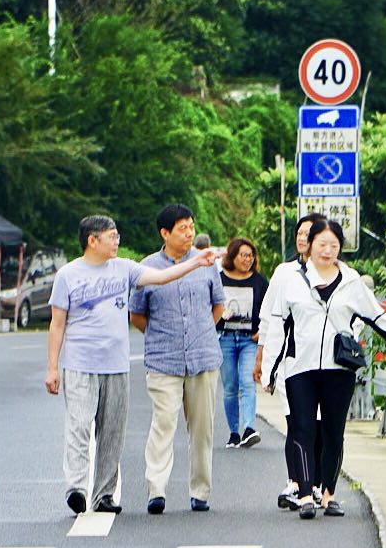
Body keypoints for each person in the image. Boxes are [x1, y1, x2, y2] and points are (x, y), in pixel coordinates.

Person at [255, 218, 386, 519]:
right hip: (300, 367)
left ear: (341, 247)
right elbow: (277, 327)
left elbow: (381, 320)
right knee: (302, 428)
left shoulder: (352, 282)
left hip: (339, 369)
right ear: (309, 245)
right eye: (321, 244)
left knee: (333, 432)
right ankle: (304, 495)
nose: (327, 251)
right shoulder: (291, 280)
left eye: (334, 245)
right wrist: (270, 371)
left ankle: (328, 494)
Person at [44, 215, 218, 517]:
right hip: (80, 364)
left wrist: (196, 262)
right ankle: (76, 487)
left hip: (116, 365)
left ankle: (104, 494)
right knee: (79, 426)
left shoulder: (125, 268)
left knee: (112, 431)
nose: (117, 240)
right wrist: (52, 367)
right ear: (92, 240)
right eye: (111, 236)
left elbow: (162, 276)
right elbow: (57, 324)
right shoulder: (68, 275)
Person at [129, 204, 226, 515]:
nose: (189, 233)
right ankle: (156, 489)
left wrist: (200, 332)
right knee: (163, 423)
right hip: (163, 360)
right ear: (164, 233)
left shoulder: (206, 264)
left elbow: (218, 305)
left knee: (202, 428)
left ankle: (200, 491)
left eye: (191, 227)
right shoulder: (147, 267)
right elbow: (137, 314)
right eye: (182, 228)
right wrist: (163, 335)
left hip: (203, 358)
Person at [257, 212, 326, 509]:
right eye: (299, 232)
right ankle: (297, 484)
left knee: (320, 427)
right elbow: (269, 318)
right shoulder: (284, 273)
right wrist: (263, 359)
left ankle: (319, 484)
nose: (301, 237)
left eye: (308, 233)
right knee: (297, 423)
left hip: (324, 365)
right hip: (290, 362)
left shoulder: (336, 274)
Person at [216, 237, 267, 449]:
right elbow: (210, 306)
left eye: (250, 255)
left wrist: (262, 332)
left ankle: (248, 428)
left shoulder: (260, 281)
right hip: (224, 338)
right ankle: (234, 432)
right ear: (232, 256)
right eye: (243, 255)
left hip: (249, 340)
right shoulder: (219, 279)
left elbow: (269, 310)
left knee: (247, 383)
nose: (248, 259)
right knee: (230, 386)